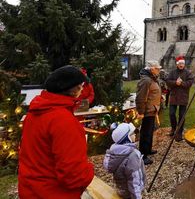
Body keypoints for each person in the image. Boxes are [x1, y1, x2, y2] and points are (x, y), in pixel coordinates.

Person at [18, 65, 94, 198]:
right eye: (81, 86)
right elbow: (73, 176)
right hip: (54, 193)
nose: (82, 89)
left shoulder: (35, 112)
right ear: (74, 90)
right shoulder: (64, 121)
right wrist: (89, 170)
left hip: (30, 190)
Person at [103, 123, 146, 199]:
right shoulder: (132, 155)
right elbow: (134, 179)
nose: (135, 135)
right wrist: (137, 197)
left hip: (122, 190)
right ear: (127, 138)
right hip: (131, 193)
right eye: (132, 133)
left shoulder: (115, 153)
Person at [136, 60, 162, 165]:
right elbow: (140, 97)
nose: (159, 70)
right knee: (145, 133)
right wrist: (141, 112)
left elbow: (152, 92)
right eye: (157, 69)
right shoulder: (146, 80)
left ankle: (148, 149)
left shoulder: (151, 79)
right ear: (152, 69)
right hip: (147, 111)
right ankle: (143, 155)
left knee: (150, 132)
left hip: (152, 110)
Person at [166, 55, 194, 141]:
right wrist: (175, 83)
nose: (181, 65)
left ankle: (179, 133)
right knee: (171, 114)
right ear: (177, 64)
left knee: (182, 116)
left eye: (182, 63)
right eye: (180, 63)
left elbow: (190, 83)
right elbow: (168, 81)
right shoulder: (172, 72)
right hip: (174, 96)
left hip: (183, 97)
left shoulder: (188, 73)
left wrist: (181, 83)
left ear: (184, 64)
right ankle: (174, 128)